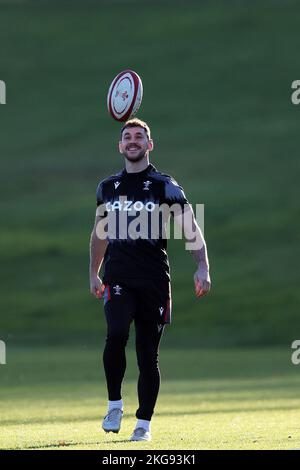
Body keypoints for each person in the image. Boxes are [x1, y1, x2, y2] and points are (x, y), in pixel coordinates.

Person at [89, 118, 211, 442]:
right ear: (120, 145)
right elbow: (99, 234)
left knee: (147, 354)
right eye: (127, 136)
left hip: (154, 281)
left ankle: (143, 424)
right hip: (118, 277)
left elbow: (190, 229)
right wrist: (93, 271)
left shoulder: (165, 186)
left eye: (139, 137)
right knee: (115, 333)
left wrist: (203, 266)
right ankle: (114, 403)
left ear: (149, 144)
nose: (132, 141)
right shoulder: (107, 188)